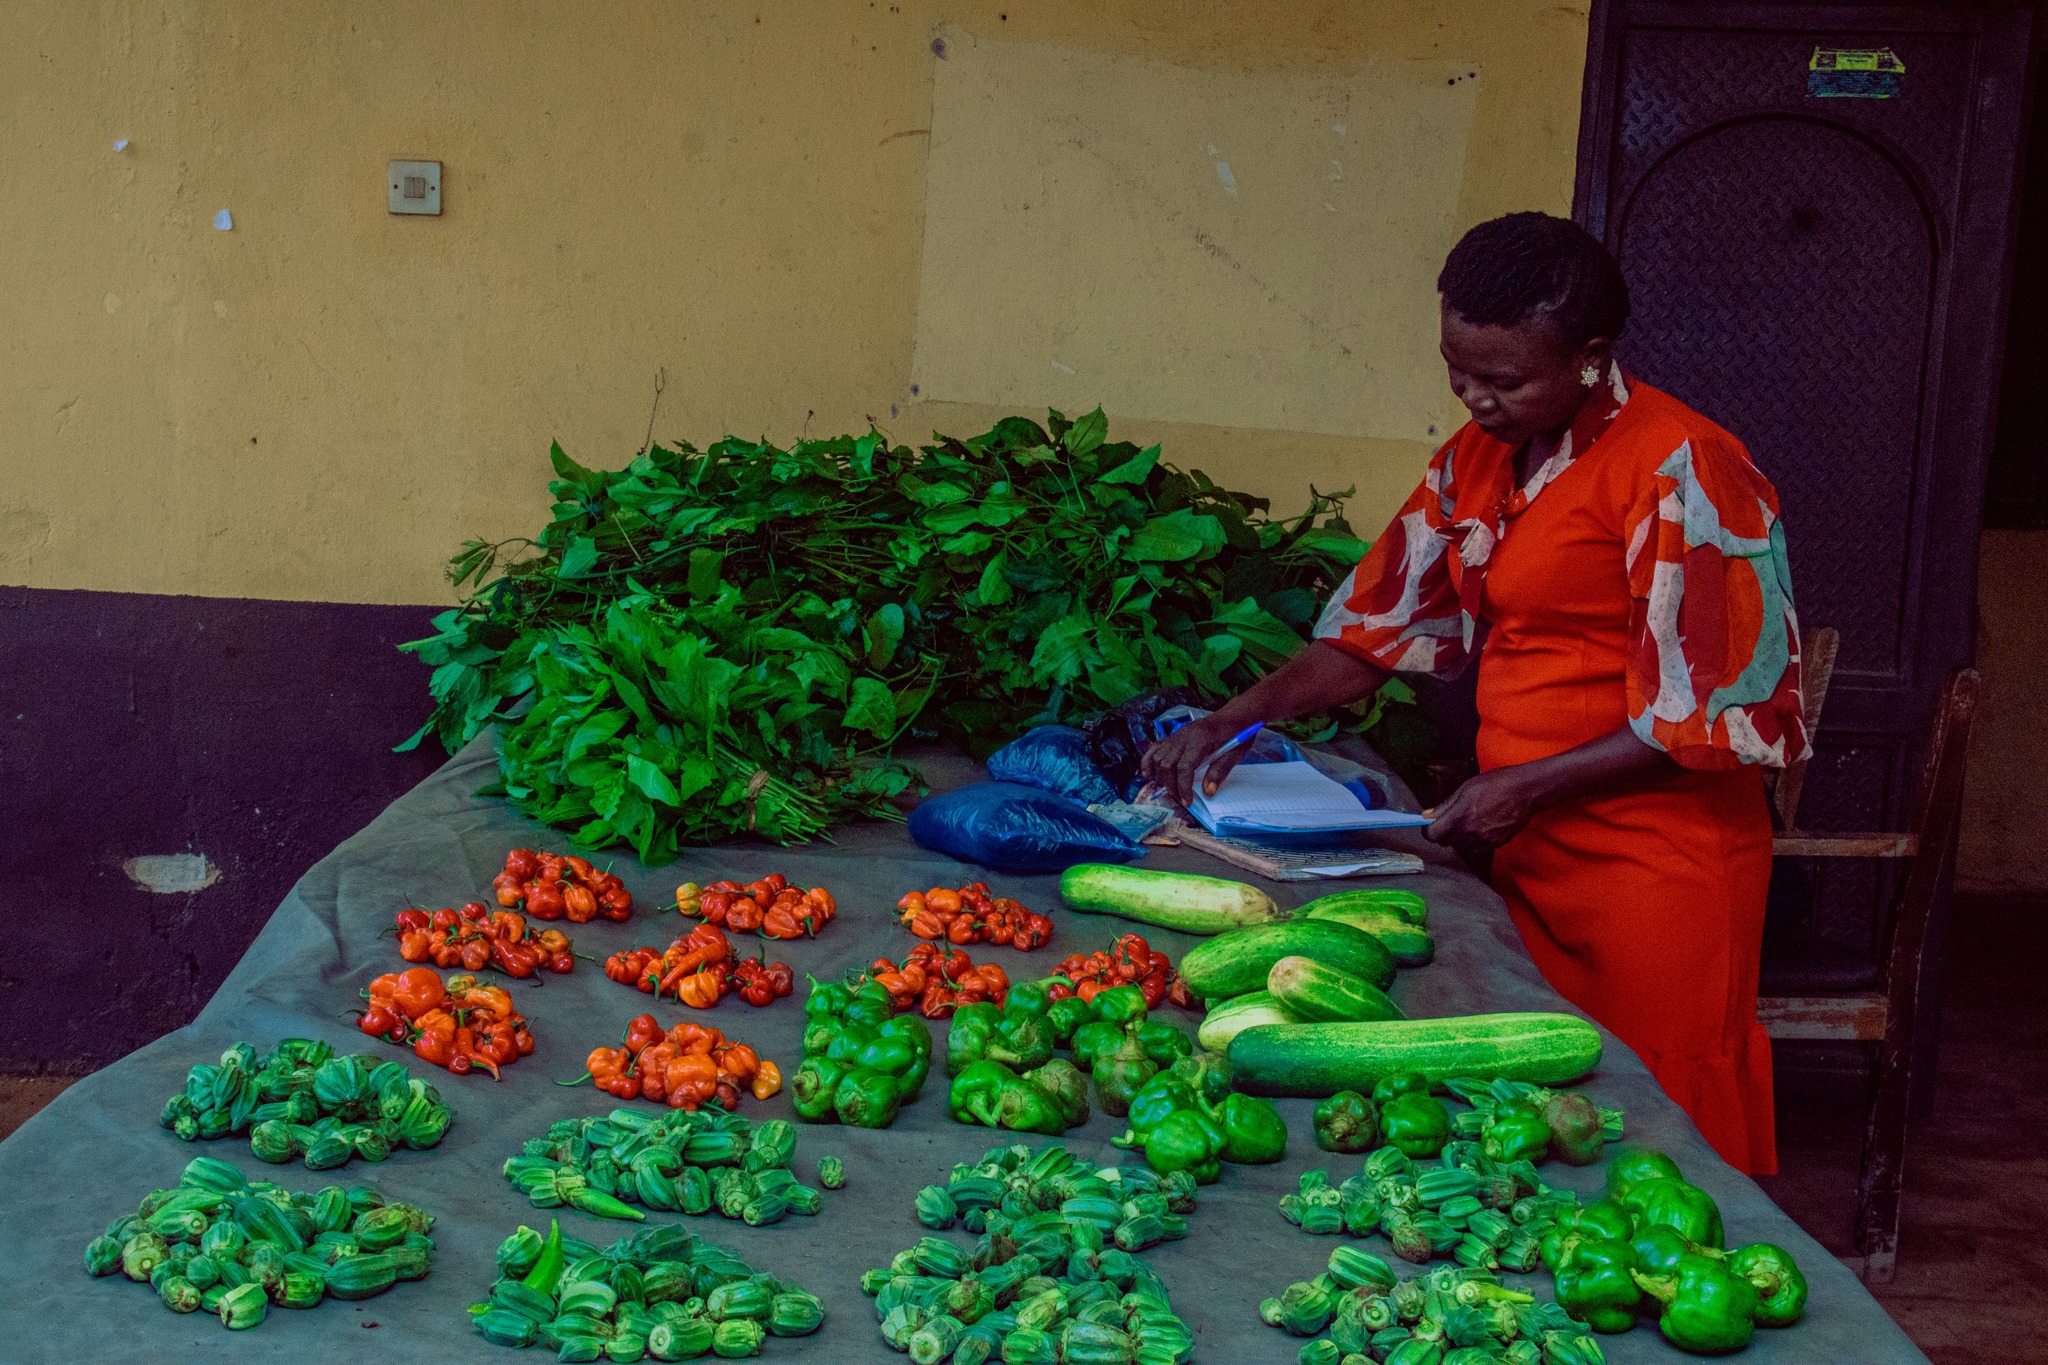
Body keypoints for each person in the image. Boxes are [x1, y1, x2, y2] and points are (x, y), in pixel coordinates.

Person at [1142, 212, 1806, 1175]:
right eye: (1459, 370)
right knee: (1547, 1111)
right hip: (1526, 849)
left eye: (1504, 379)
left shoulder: (1684, 466)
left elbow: (1710, 714)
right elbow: (1373, 632)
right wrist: (1229, 718)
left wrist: (1524, 786)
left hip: (1659, 868)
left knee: (1656, 1126)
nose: (1475, 397)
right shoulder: (1478, 459)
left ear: (1588, 358)